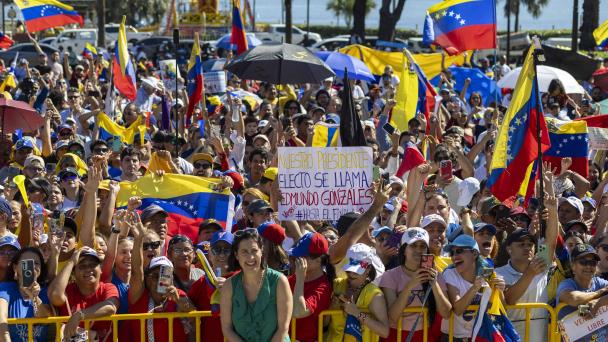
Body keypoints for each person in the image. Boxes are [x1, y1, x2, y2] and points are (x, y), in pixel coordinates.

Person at [124, 210, 195, 341]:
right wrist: (139, 238)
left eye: (165, 273)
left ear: (172, 277)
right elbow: (136, 272)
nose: (160, 279)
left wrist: (179, 300)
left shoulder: (178, 294)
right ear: (147, 278)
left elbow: (194, 317)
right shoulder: (139, 295)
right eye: (155, 275)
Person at [220, 228, 292, 341]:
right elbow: (227, 328)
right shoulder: (228, 286)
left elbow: (283, 328)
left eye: (254, 250)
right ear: (236, 255)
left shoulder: (280, 281)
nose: (250, 257)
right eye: (244, 252)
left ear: (261, 251)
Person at [379, 228, 451, 342]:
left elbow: (446, 314)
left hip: (425, 336)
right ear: (404, 250)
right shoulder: (390, 276)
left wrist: (434, 284)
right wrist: (410, 285)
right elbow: (392, 317)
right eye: (413, 245)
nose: (418, 250)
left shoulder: (435, 274)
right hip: (396, 336)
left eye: (422, 246)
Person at [440, 234, 506, 340]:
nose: (454, 256)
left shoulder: (488, 274)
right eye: (452, 253)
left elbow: (502, 308)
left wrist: (500, 290)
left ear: (474, 253)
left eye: (459, 251)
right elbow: (458, 309)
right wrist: (475, 288)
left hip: (480, 336)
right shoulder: (449, 273)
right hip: (453, 337)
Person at [48, 247, 119, 341]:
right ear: (74, 272)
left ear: (101, 269)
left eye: (93, 265)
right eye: (82, 266)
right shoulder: (68, 290)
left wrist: (79, 315)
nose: (88, 269)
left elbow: (110, 307)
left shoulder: (108, 287)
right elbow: (54, 295)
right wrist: (71, 262)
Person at [327, 243, 389, 341]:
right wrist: (332, 307)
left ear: (368, 269)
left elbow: (384, 331)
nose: (351, 274)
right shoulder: (337, 285)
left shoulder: (375, 295)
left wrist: (357, 313)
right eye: (348, 270)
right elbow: (324, 323)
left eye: (356, 271)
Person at [189, 230, 235, 342]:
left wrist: (232, 290)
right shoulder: (200, 283)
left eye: (227, 250)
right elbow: (188, 309)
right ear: (209, 254)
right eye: (217, 250)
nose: (222, 254)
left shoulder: (243, 279)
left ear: (235, 253)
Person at [289, 232, 334, 342]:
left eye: (302, 257)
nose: (296, 260)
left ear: (318, 260)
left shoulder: (323, 287)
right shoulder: (291, 279)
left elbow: (298, 312)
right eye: (296, 256)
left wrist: (300, 279)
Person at [0, 247, 52, 341]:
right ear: (15, 267)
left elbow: (45, 317)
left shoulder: (45, 291)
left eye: (36, 263)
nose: (32, 266)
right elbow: (1, 316)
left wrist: (34, 297)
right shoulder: (5, 288)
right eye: (27, 263)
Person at [556, 244, 608, 319]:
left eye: (592, 263)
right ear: (573, 265)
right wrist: (600, 292)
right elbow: (573, 299)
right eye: (583, 262)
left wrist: (599, 302)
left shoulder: (599, 282)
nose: (588, 266)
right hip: (568, 330)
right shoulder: (566, 284)